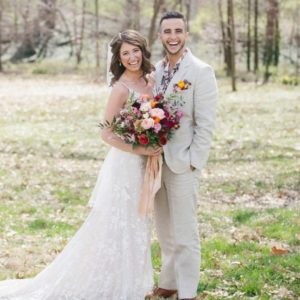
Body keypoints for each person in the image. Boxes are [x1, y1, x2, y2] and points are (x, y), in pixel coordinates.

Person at [0, 30, 162, 300]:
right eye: (125, 53)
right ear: (119, 59)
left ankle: (133, 281)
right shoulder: (121, 88)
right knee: (118, 223)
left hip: (147, 164)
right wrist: (142, 147)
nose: (132, 57)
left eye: (135, 51)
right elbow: (107, 133)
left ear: (143, 51)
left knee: (140, 222)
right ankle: (109, 282)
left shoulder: (151, 80)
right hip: (126, 164)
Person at [149, 11, 217, 300]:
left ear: (186, 35)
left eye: (178, 31)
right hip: (156, 162)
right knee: (164, 228)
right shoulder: (158, 70)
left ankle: (187, 292)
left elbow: (206, 123)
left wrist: (193, 162)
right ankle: (169, 281)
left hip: (183, 163)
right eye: (167, 31)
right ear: (161, 35)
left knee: (185, 232)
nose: (173, 37)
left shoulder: (201, 71)